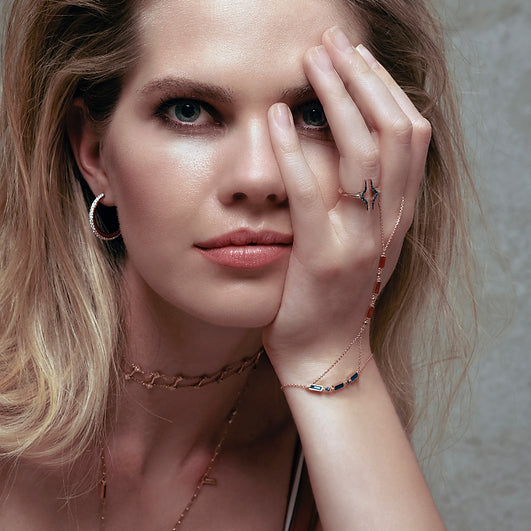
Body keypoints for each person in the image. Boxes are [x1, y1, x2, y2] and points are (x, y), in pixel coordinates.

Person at [0, 0, 476, 529]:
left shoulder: (325, 444)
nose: (259, 178)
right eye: (189, 111)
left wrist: (329, 357)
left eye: (315, 114)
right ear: (93, 152)